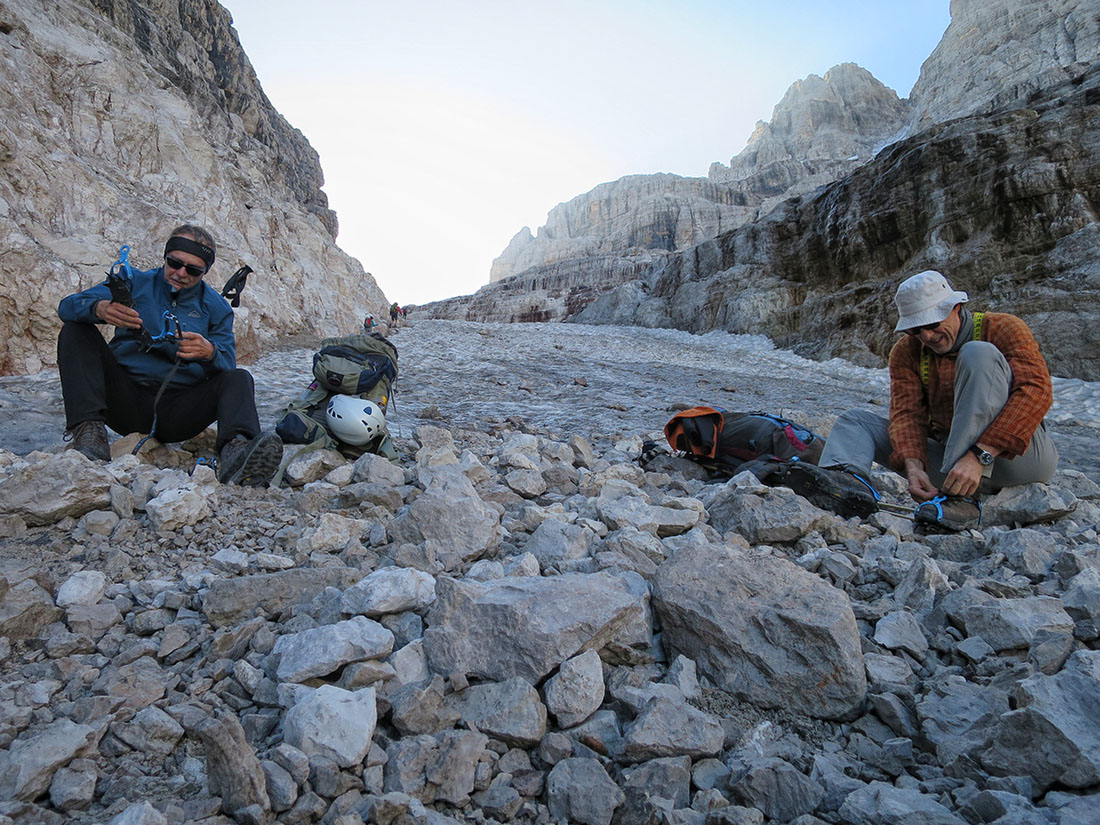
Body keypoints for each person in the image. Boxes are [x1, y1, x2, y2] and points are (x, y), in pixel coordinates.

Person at [816, 270, 1057, 530]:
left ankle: (960, 500)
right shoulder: (906, 352)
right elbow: (907, 415)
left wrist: (978, 456)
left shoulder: (1001, 328)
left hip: (1015, 461)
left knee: (977, 353)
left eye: (932, 324)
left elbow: (1036, 391)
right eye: (916, 330)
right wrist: (913, 465)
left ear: (956, 308)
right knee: (855, 421)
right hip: (953, 468)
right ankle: (844, 486)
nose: (927, 337)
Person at [56, 224, 283, 486]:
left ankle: (238, 453)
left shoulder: (216, 308)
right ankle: (89, 435)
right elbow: (67, 306)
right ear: (165, 257)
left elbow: (227, 364)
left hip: (178, 413)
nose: (181, 273)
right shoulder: (133, 282)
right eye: (174, 263)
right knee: (75, 330)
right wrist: (98, 308)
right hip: (122, 399)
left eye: (193, 270)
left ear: (205, 272)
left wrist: (210, 352)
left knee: (240, 378)